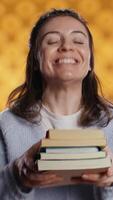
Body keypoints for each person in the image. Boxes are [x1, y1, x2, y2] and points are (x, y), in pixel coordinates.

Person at [0, 8, 113, 200]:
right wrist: (18, 176)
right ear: (35, 59)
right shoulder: (6, 124)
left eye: (78, 41)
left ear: (90, 62)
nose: (67, 47)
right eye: (52, 41)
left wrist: (110, 183)